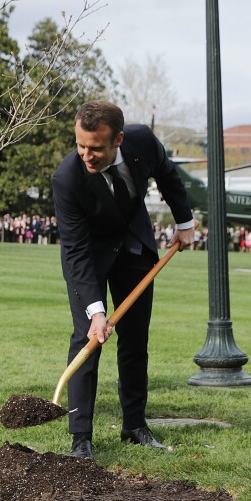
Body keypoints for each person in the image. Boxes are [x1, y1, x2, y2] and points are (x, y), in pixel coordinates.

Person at [51, 100, 194, 460]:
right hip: (91, 256)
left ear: (118, 139)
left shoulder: (142, 141)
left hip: (133, 243)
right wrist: (96, 312)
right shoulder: (67, 178)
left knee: (134, 339)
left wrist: (185, 223)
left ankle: (134, 425)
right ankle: (80, 437)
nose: (87, 154)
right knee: (88, 336)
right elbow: (76, 251)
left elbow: (168, 175)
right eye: (81, 145)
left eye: (96, 147)